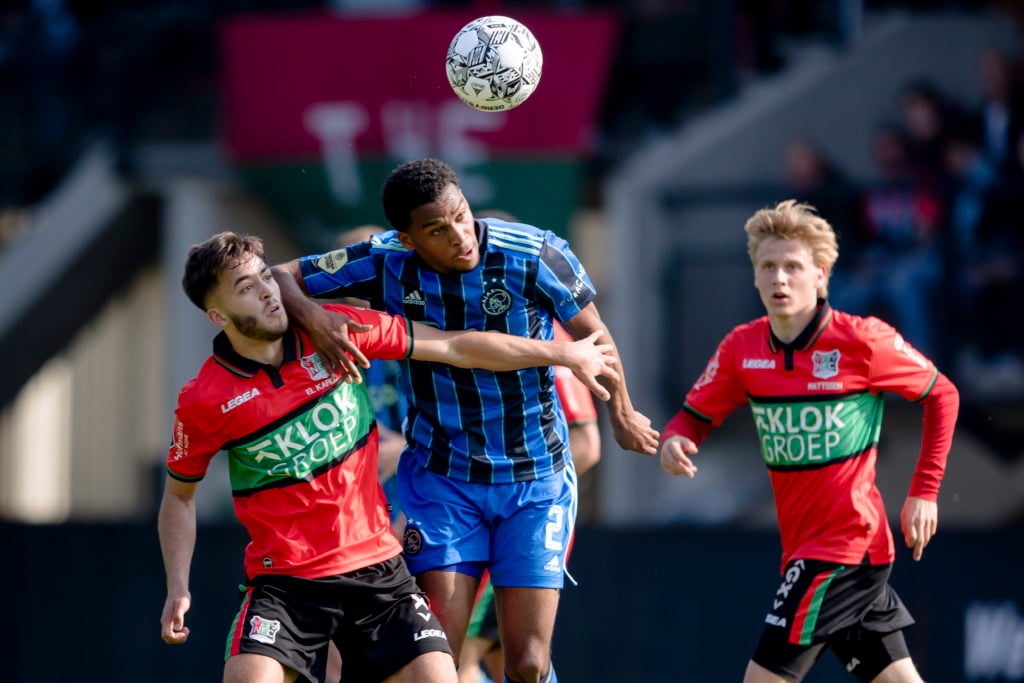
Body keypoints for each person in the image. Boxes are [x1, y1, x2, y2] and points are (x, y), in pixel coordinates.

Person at [158, 231, 620, 683]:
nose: (266, 292)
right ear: (217, 315)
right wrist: (178, 586)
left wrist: (563, 354)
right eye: (246, 288)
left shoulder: (340, 331)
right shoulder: (204, 400)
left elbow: (456, 345)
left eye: (264, 277)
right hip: (286, 586)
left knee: (461, 672)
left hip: (379, 573)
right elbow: (178, 498)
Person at [272, 157, 659, 683]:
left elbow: (596, 337)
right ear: (407, 239)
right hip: (443, 481)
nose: (459, 235)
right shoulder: (384, 260)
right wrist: (316, 318)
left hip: (535, 479)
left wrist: (623, 412)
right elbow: (280, 276)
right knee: (438, 658)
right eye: (437, 229)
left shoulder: (535, 252)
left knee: (526, 663)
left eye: (460, 215)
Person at [658, 200, 959, 683]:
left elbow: (942, 394)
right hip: (812, 548)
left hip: (842, 549)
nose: (779, 278)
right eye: (768, 267)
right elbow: (689, 420)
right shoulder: (742, 348)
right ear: (755, 277)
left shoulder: (862, 341)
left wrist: (925, 490)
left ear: (820, 276)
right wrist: (673, 442)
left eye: (793, 267)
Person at [458, 321, 602, 683]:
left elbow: (587, 445)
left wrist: (522, 500)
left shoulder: (547, 334)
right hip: (453, 514)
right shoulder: (444, 314)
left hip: (517, 523)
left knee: (467, 655)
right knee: (499, 660)